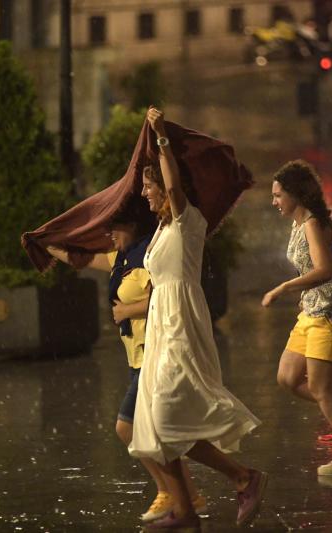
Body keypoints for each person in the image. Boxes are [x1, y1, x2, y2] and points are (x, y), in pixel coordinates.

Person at [129, 107, 267, 530]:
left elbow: (172, 182)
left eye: (148, 187)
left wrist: (160, 139)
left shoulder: (188, 223)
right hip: (160, 325)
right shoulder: (157, 231)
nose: (144, 193)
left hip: (182, 323)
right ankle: (186, 512)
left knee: (170, 418)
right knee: (155, 422)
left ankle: (243, 476)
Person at [46, 196, 207, 523]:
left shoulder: (149, 255)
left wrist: (126, 310)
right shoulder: (122, 257)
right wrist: (45, 244)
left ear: (132, 225)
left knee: (130, 427)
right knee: (156, 430)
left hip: (155, 351)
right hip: (137, 355)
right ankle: (185, 496)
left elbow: (164, 296)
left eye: (114, 228)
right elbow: (85, 259)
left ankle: (177, 491)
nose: (110, 235)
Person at [261, 159, 332, 476]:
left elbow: (324, 270)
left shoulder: (313, 223)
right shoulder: (298, 223)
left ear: (296, 194)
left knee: (323, 389)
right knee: (287, 378)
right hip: (311, 311)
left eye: (278, 195)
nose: (274, 202)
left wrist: (284, 287)